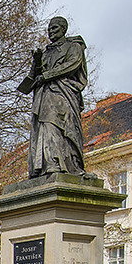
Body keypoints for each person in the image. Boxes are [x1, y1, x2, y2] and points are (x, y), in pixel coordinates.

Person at [20, 16, 90, 178]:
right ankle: (46, 164)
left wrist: (47, 76)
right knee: (43, 127)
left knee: (56, 124)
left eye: (54, 28)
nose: (50, 32)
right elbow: (34, 76)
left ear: (63, 29)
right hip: (44, 95)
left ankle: (61, 163)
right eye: (49, 29)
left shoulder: (73, 46)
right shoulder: (46, 53)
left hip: (62, 93)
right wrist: (37, 61)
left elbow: (71, 64)